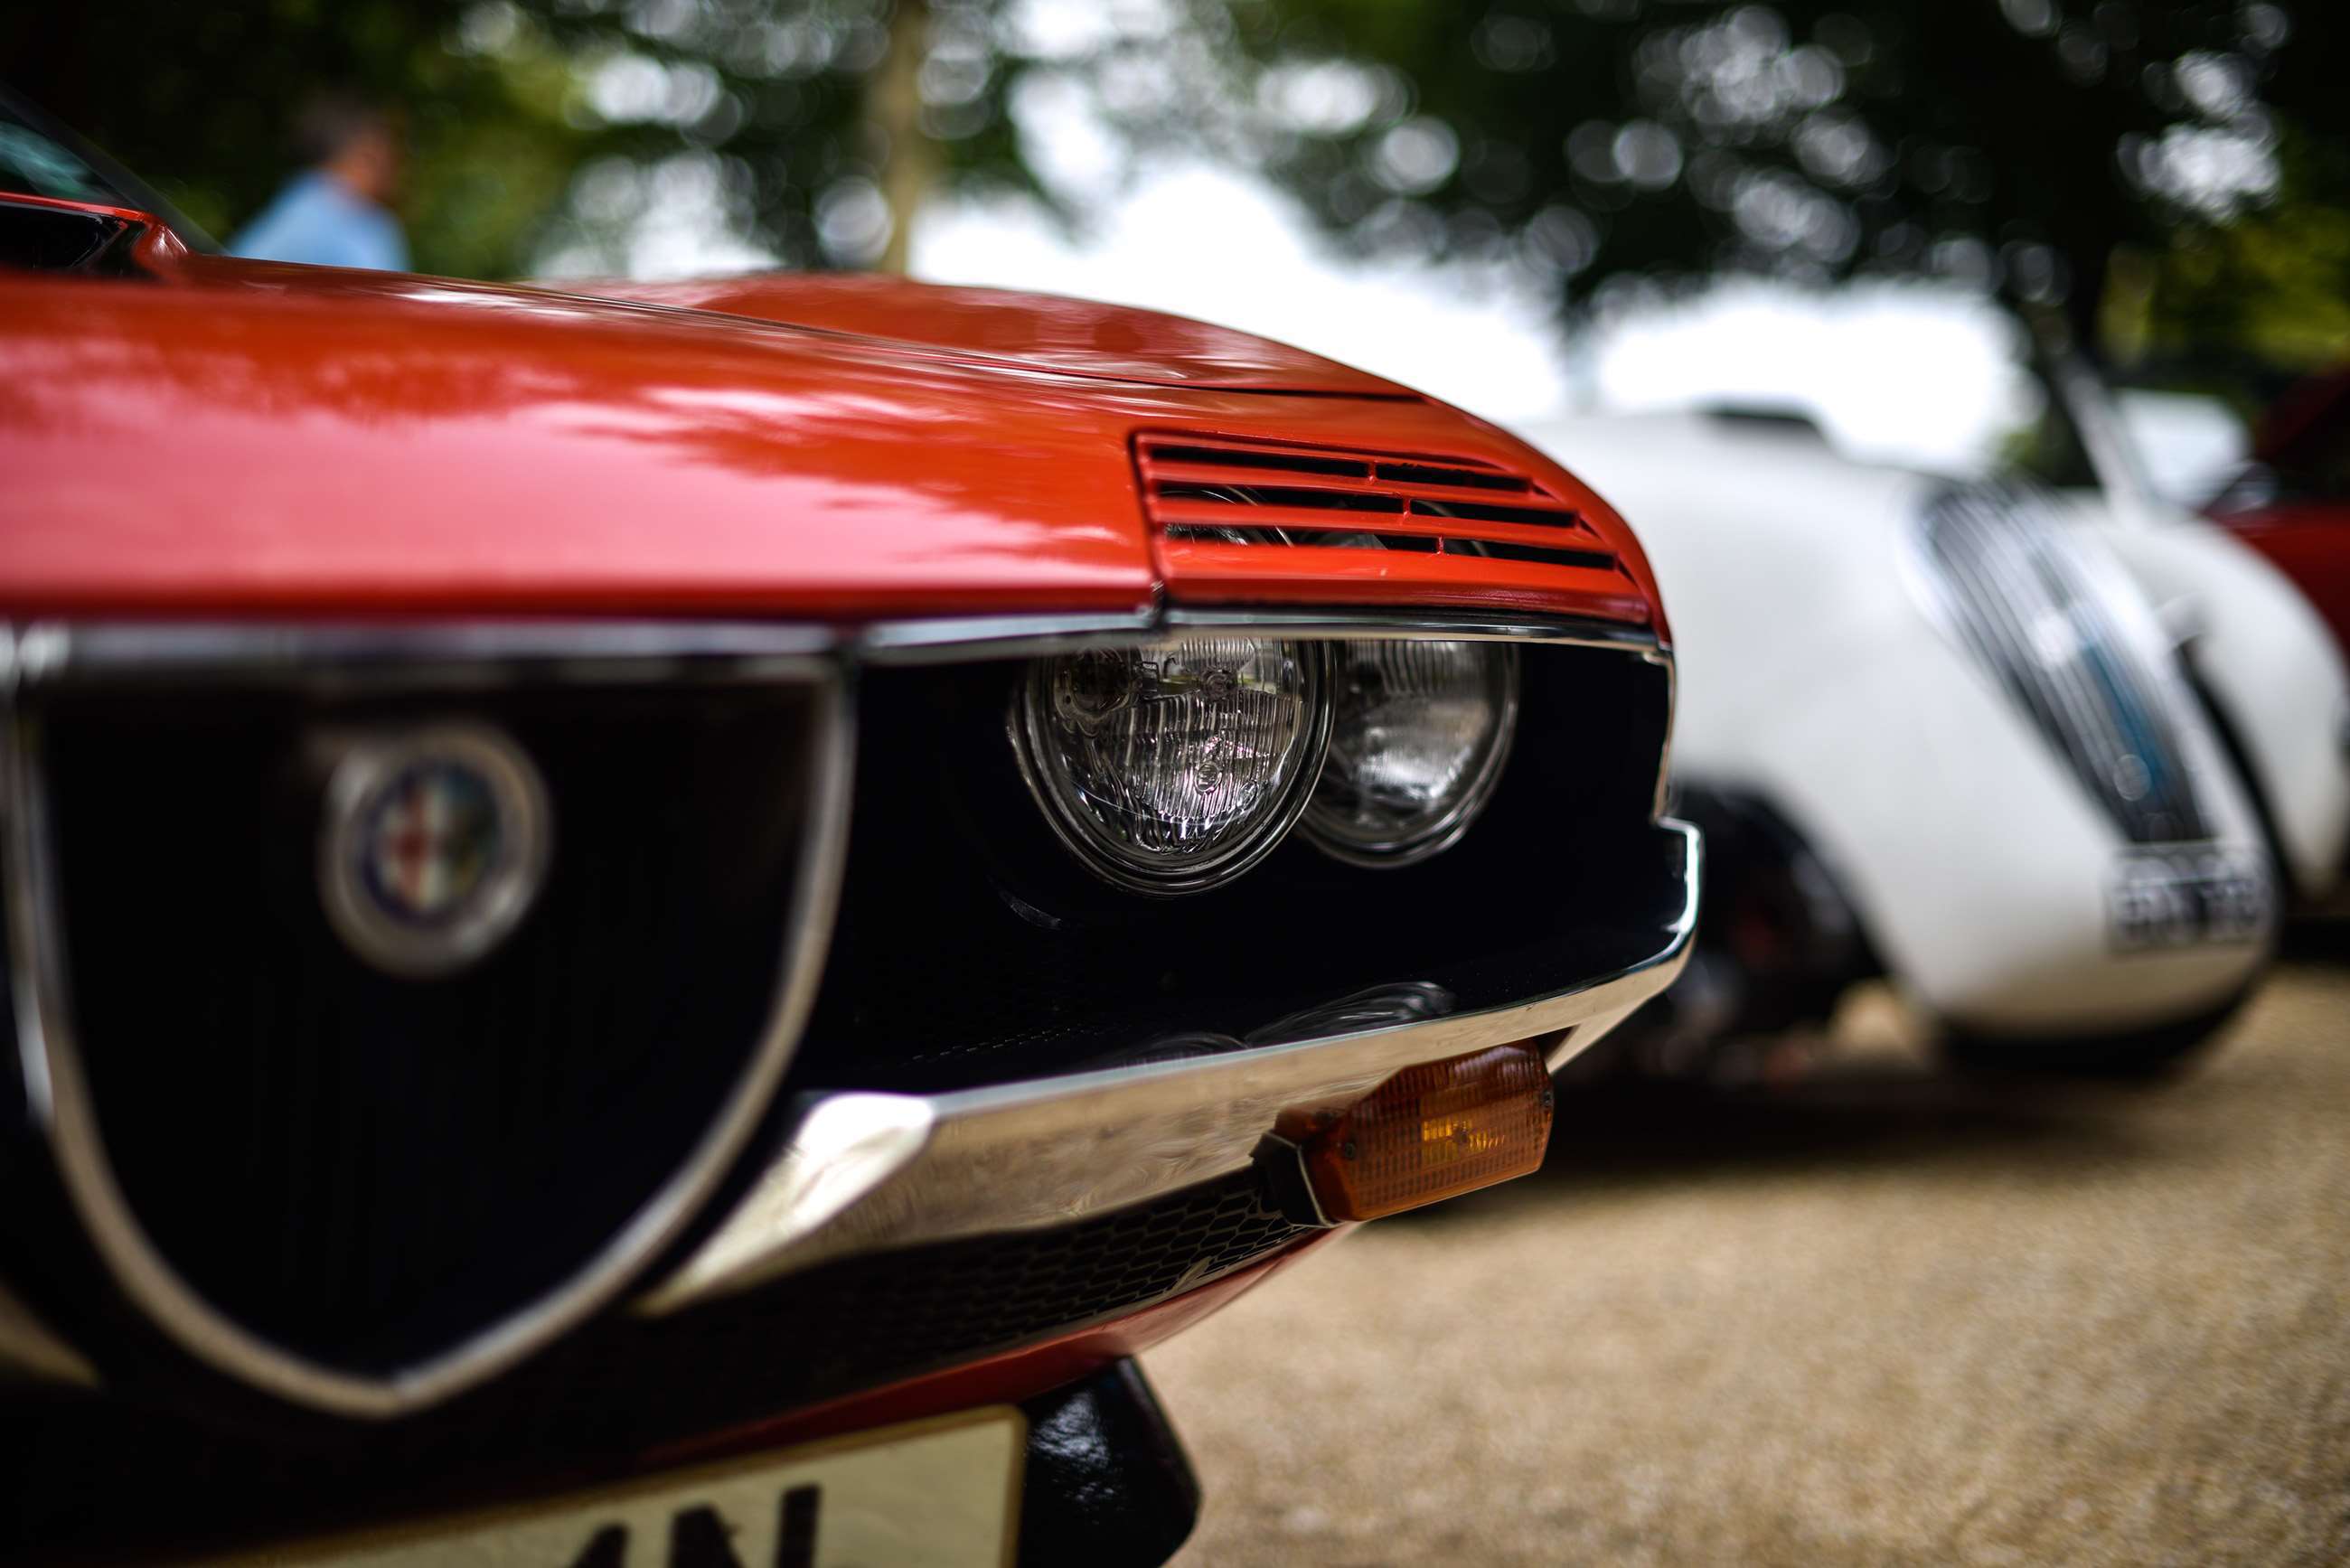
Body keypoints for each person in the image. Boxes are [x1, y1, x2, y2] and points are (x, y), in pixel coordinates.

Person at [229, 94, 408, 271]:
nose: (396, 166)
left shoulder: (373, 219)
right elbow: (237, 280)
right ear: (366, 154)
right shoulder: (309, 213)